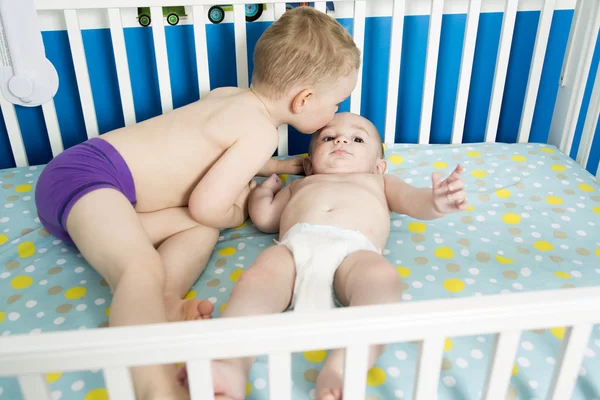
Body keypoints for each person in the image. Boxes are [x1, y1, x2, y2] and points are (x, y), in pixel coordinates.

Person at [34, 7, 360, 399]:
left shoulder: (230, 97)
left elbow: (216, 146)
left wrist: (278, 166)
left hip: (102, 198)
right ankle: (154, 387)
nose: (336, 112)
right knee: (141, 267)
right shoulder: (260, 133)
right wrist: (237, 210)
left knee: (195, 229)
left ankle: (161, 306)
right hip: (85, 178)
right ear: (303, 99)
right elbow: (208, 205)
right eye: (336, 103)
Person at [203, 112, 468, 400]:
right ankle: (232, 364)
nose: (341, 140)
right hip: (294, 247)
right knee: (259, 279)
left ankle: (342, 370)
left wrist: (436, 201)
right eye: (328, 137)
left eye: (357, 138)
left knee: (382, 280)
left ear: (378, 166)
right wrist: (262, 194)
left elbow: (417, 203)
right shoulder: (300, 184)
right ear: (308, 163)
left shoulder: (381, 183)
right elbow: (266, 219)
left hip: (355, 251)